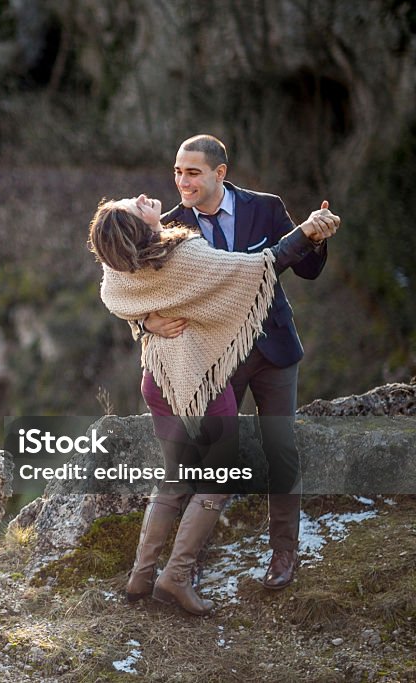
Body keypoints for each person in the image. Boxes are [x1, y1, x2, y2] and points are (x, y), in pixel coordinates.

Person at [87, 193, 339, 615]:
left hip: (158, 379)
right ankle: (176, 577)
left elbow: (111, 296)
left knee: (175, 477)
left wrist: (145, 318)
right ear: (139, 227)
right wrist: (307, 232)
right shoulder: (183, 254)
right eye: (136, 205)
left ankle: (140, 576)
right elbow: (259, 266)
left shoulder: (122, 268)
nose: (144, 197)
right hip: (201, 381)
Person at [144, 135, 329, 591]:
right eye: (177, 172)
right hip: (213, 360)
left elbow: (305, 269)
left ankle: (284, 553)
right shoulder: (167, 229)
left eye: (193, 172)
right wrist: (148, 322)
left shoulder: (265, 207)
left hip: (275, 350)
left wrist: (316, 237)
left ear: (219, 173)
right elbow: (138, 291)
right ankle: (189, 564)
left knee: (280, 450)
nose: (182, 181)